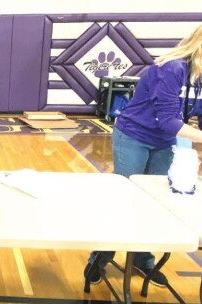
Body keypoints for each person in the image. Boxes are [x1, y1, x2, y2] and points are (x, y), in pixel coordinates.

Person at [84, 24, 202, 287]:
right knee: (125, 199)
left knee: (156, 202)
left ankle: (142, 258)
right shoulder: (172, 69)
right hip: (134, 136)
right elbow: (169, 121)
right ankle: (102, 253)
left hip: (165, 142)